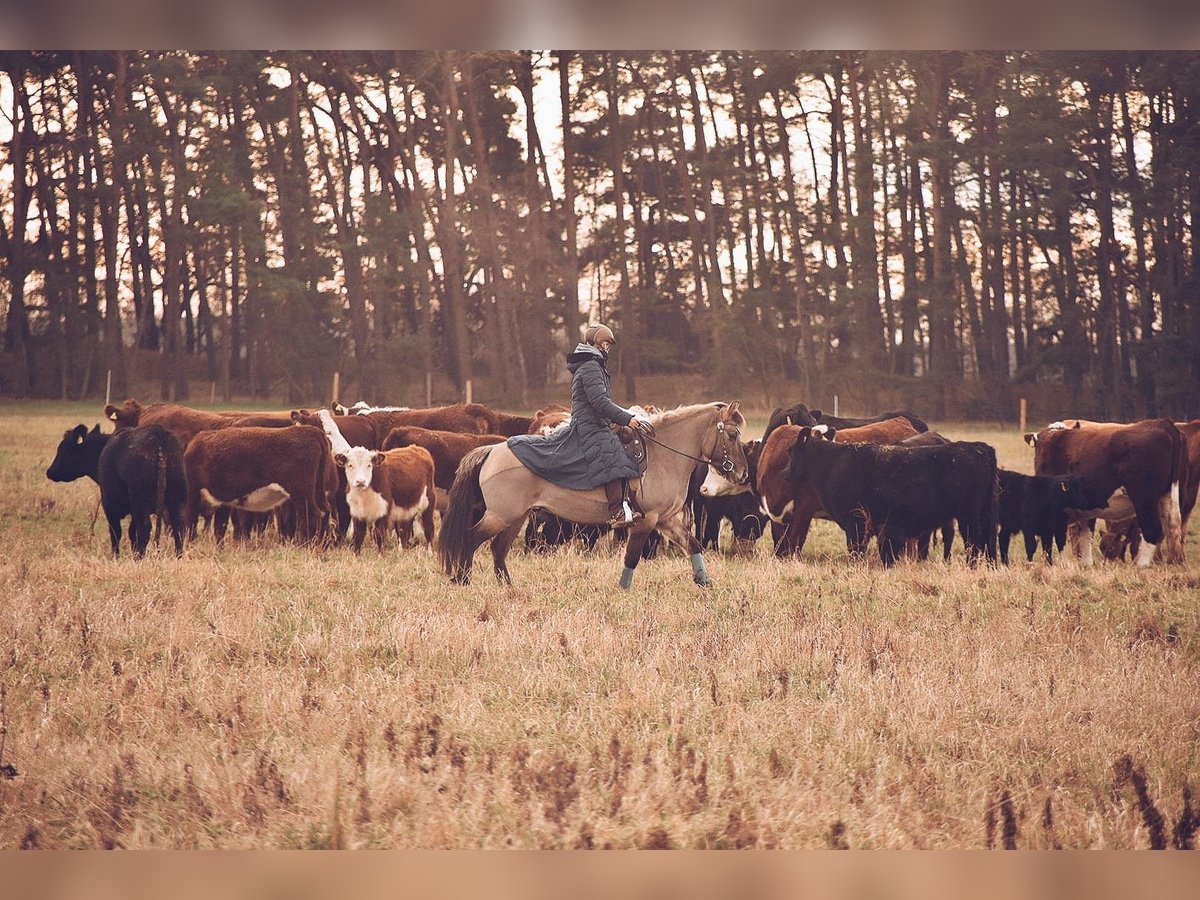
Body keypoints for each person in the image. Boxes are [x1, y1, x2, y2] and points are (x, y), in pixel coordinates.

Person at [507, 324, 656, 526]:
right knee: (611, 453)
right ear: (597, 344)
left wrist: (623, 416)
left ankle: (627, 502)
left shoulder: (594, 366)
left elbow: (601, 402)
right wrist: (627, 419)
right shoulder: (591, 367)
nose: (607, 348)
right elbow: (600, 402)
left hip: (596, 423)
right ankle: (617, 512)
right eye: (606, 344)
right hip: (589, 427)